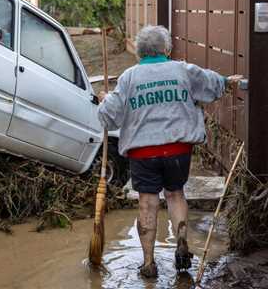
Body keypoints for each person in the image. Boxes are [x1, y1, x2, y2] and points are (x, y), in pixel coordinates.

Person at [97, 25, 242, 278]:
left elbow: (109, 117)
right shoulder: (182, 70)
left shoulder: (129, 77)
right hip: (178, 149)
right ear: (166, 49)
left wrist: (104, 100)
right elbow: (212, 84)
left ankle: (148, 263)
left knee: (147, 203)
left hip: (143, 153)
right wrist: (227, 82)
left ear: (140, 52)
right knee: (175, 195)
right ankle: (182, 241)